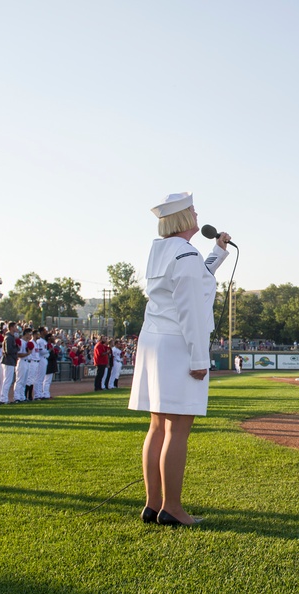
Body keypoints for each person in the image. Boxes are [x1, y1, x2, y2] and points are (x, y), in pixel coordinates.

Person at [128, 192, 230, 526]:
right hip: (179, 345)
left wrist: (218, 253)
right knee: (178, 428)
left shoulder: (164, 250)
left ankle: (152, 504)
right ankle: (172, 508)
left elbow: (196, 279)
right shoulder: (185, 253)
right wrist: (200, 358)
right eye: (192, 210)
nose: (197, 213)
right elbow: (191, 309)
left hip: (157, 340)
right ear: (184, 218)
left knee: (158, 426)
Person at [0, 322, 19, 404]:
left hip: (10, 360)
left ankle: (4, 398)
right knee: (7, 380)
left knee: (7, 380)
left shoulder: (11, 337)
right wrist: (16, 348)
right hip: (8, 360)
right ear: (11, 327)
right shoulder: (9, 337)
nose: (16, 328)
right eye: (15, 327)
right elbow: (8, 350)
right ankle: (3, 398)